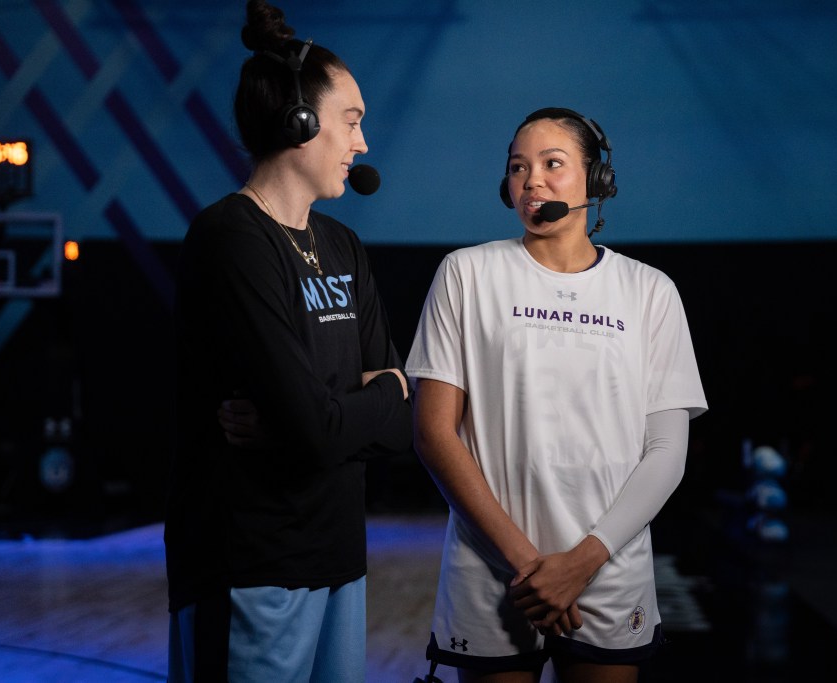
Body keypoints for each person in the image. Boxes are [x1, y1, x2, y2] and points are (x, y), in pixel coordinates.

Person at [405, 107, 707, 683]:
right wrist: (530, 568)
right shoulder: (466, 273)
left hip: (608, 570)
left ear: (597, 179)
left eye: (552, 163)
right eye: (518, 167)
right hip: (493, 571)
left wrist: (583, 561)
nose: (532, 181)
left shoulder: (650, 291)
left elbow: (667, 451)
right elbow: (433, 433)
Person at [164, 2, 412, 681]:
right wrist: (375, 396)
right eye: (351, 121)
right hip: (250, 568)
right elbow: (321, 426)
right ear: (299, 122)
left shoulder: (343, 245)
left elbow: (400, 423)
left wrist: (344, 411)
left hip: (340, 559)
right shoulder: (231, 238)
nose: (363, 143)